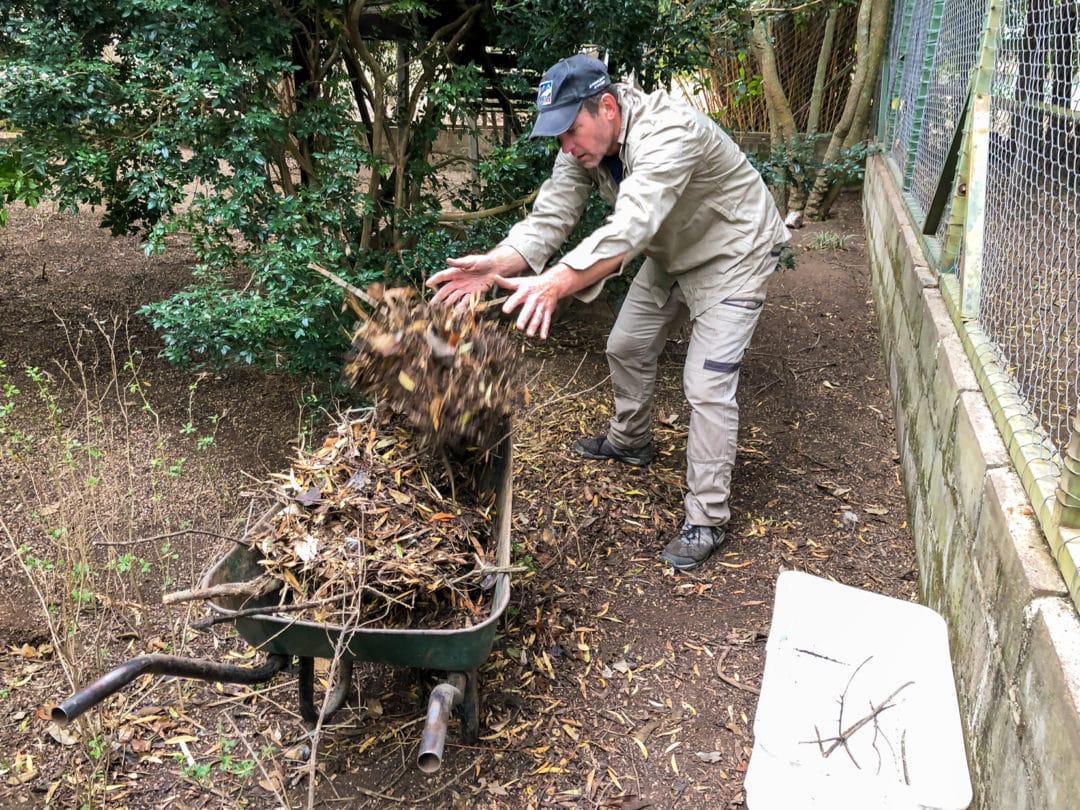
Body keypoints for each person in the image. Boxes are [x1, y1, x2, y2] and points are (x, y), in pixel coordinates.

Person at [427, 53, 789, 570]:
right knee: (626, 344)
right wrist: (494, 264)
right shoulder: (582, 148)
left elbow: (631, 227)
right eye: (559, 137)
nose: (567, 147)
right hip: (674, 251)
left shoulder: (670, 132)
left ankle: (706, 516)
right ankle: (631, 441)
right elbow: (551, 214)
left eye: (572, 131)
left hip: (735, 252)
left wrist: (557, 282)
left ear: (607, 107)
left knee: (707, 385)